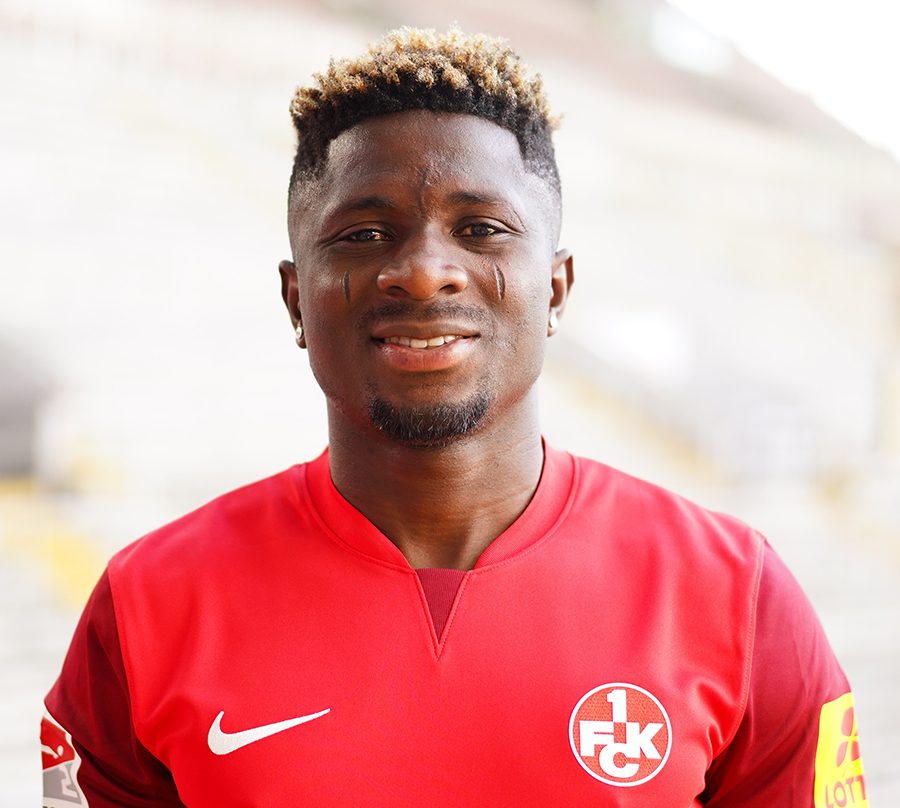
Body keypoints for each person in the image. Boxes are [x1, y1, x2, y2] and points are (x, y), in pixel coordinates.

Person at [42, 27, 867, 807]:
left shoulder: (736, 595)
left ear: (556, 289)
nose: (424, 271)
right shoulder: (146, 606)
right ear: (296, 300)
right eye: (365, 233)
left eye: (481, 229)